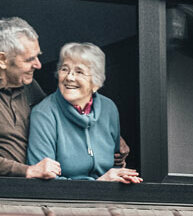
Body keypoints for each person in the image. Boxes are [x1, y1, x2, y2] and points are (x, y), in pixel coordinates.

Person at [27, 42, 142, 183]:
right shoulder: (44, 114)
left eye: (79, 72)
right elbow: (42, 184)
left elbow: (114, 164)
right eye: (64, 69)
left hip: (109, 200)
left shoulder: (109, 109)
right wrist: (100, 184)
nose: (69, 77)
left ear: (96, 82)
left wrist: (121, 172)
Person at [0, 17, 62, 179]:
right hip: (0, 195)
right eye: (29, 59)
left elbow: (60, 117)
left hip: (39, 190)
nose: (38, 65)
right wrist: (28, 171)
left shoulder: (31, 87)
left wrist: (105, 133)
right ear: (2, 60)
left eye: (37, 56)